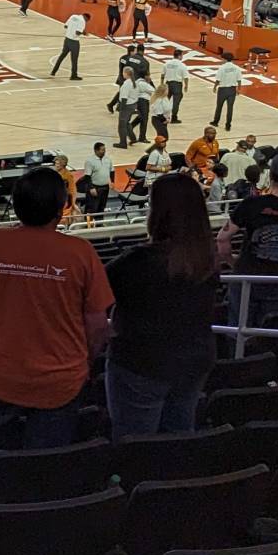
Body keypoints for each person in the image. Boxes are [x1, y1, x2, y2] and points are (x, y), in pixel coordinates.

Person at [0, 166, 114, 453]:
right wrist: (83, 364)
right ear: (62, 207)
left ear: (15, 206)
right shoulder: (82, 253)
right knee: (45, 466)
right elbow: (99, 325)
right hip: (61, 383)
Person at [103, 171, 222, 436]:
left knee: (136, 443)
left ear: (158, 212)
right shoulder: (207, 258)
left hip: (142, 364)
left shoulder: (137, 261)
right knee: (178, 436)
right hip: (195, 360)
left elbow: (93, 298)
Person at [218, 153, 278, 326]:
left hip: (247, 279)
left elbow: (222, 239)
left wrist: (233, 263)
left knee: (240, 331)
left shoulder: (252, 204)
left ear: (270, 175)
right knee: (274, 332)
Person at [209, 58, 244, 131]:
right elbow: (239, 80)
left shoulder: (222, 68)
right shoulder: (236, 68)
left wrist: (215, 87)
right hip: (232, 90)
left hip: (223, 90)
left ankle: (216, 122)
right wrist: (239, 89)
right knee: (230, 108)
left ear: (225, 59)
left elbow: (218, 79)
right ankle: (228, 125)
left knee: (219, 107)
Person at [50, 9, 85, 81]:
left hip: (67, 40)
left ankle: (53, 71)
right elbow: (78, 33)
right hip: (74, 42)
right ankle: (73, 75)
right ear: (87, 18)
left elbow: (65, 26)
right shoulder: (82, 21)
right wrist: (84, 33)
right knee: (74, 60)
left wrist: (72, 28)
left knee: (61, 56)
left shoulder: (73, 16)